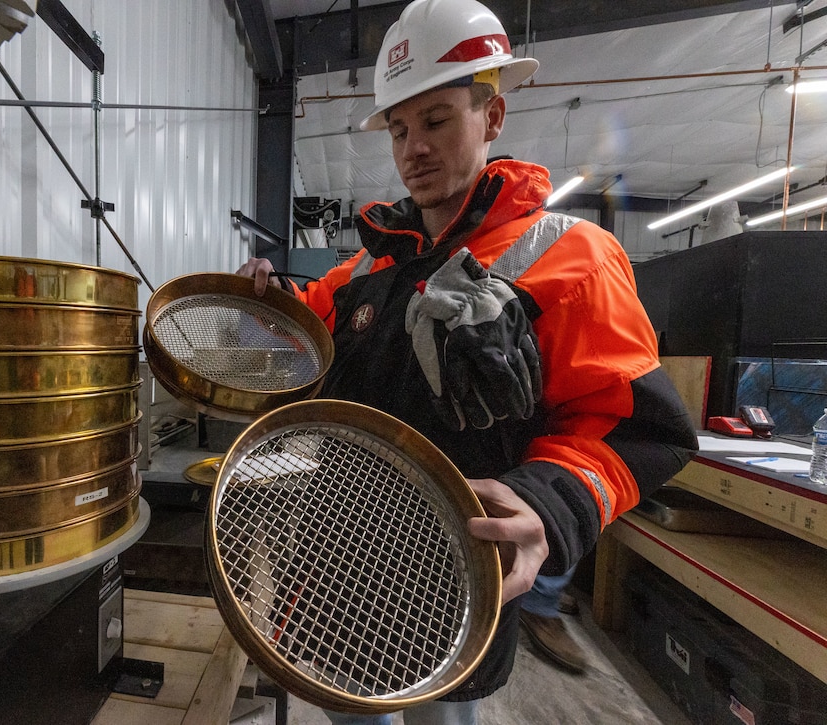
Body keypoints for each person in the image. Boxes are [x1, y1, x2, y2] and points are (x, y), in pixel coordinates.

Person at [237, 0, 698, 722]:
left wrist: (553, 503)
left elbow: (632, 425)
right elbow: (297, 347)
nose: (413, 147)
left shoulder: (569, 257)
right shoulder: (364, 270)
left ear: (492, 116)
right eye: (398, 129)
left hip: (453, 588)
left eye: (437, 120)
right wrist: (262, 308)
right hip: (338, 578)